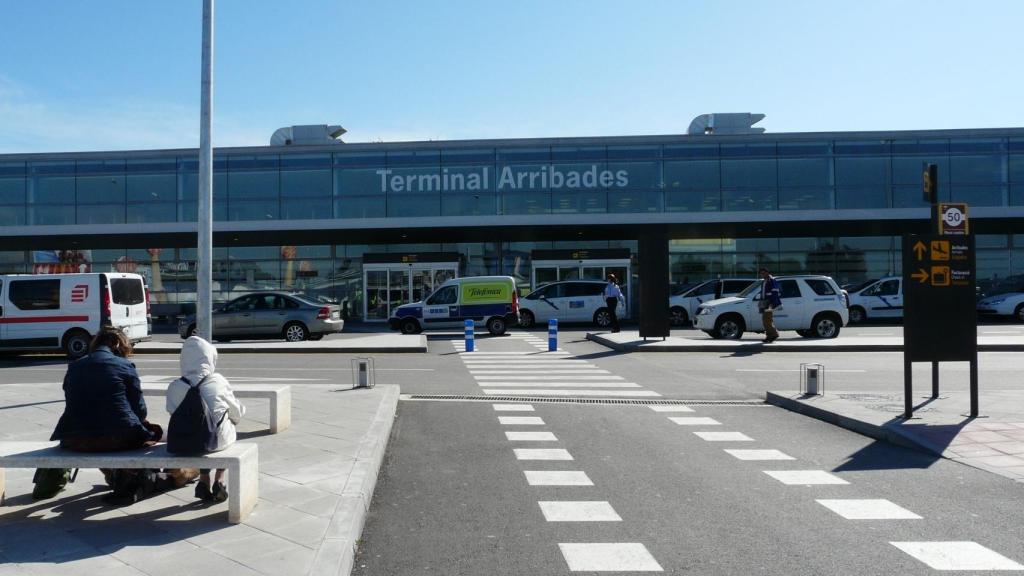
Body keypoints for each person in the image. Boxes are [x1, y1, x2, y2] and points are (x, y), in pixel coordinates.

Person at [48, 327, 182, 502]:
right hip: (117, 439)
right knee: (161, 433)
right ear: (118, 343)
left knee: (108, 431)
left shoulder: (75, 366)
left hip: (75, 439)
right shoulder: (124, 365)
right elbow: (140, 411)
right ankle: (142, 475)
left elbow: (71, 400)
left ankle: (119, 474)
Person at [166, 336, 245, 503]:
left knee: (201, 431)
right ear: (209, 358)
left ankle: (204, 480)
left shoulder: (175, 386)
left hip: (184, 442)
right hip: (214, 441)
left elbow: (172, 412)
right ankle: (219, 479)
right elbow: (236, 412)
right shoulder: (218, 381)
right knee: (220, 427)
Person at [759, 267, 782, 343]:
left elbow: (775, 292)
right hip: (764, 302)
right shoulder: (764, 281)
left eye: (763, 273)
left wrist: (772, 303)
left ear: (767, 273)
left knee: (767, 319)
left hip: (769, 302)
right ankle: (769, 336)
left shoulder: (771, 280)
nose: (762, 274)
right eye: (761, 273)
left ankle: (774, 334)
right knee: (766, 320)